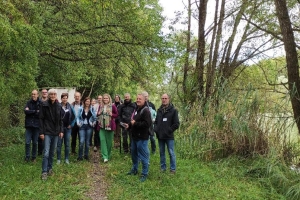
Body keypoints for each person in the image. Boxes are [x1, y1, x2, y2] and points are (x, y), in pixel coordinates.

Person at [124, 93, 152, 182]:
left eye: (140, 99)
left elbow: (147, 124)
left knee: (144, 156)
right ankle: (134, 169)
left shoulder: (146, 111)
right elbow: (133, 121)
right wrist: (129, 125)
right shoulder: (136, 109)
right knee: (134, 155)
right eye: (137, 98)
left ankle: (144, 173)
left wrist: (135, 124)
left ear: (144, 100)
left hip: (142, 138)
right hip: (135, 137)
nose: (138, 100)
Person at [39, 88, 63, 180]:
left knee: (52, 152)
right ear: (48, 95)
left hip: (56, 132)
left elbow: (61, 120)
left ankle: (50, 168)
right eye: (51, 94)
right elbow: (40, 119)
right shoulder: (44, 105)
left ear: (56, 96)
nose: (52, 96)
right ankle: (44, 171)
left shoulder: (59, 105)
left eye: (54, 94)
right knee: (46, 152)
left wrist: (61, 131)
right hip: (47, 132)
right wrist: (41, 132)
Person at [154, 93, 180, 174]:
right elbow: (156, 122)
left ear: (169, 99)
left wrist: (169, 130)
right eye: (163, 98)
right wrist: (156, 129)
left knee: (171, 152)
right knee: (162, 152)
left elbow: (176, 124)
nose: (164, 100)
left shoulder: (173, 110)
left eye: (165, 98)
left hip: (169, 136)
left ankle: (173, 169)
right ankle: (163, 168)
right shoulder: (159, 110)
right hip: (160, 136)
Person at [97, 93, 118, 163]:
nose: (105, 99)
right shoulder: (101, 106)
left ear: (109, 99)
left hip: (109, 126)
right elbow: (98, 114)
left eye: (107, 98)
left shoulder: (113, 106)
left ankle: (108, 155)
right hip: (101, 126)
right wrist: (99, 113)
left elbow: (117, 114)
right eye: (104, 98)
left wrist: (112, 114)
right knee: (102, 141)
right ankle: (104, 157)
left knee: (109, 142)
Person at [57, 93, 75, 164]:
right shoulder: (58, 106)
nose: (65, 99)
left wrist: (71, 125)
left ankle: (66, 159)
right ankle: (58, 159)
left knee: (67, 144)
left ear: (67, 99)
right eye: (63, 98)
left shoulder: (70, 106)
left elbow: (74, 117)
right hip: (60, 129)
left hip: (68, 129)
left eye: (66, 98)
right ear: (61, 99)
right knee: (59, 144)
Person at [24, 89, 41, 162]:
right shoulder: (28, 102)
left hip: (36, 126)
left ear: (37, 95)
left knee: (35, 142)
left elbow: (40, 114)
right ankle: (27, 157)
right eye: (32, 94)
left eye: (34, 94)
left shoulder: (40, 103)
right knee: (27, 142)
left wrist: (30, 111)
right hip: (29, 125)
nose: (33, 95)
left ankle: (33, 157)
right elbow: (25, 111)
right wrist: (35, 111)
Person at [38, 88, 48, 155]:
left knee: (46, 136)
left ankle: (45, 150)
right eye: (43, 92)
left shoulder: (49, 101)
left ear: (47, 93)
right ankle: (39, 151)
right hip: (39, 120)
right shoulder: (38, 101)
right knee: (39, 136)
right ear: (41, 93)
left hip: (47, 121)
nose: (44, 93)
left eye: (45, 92)